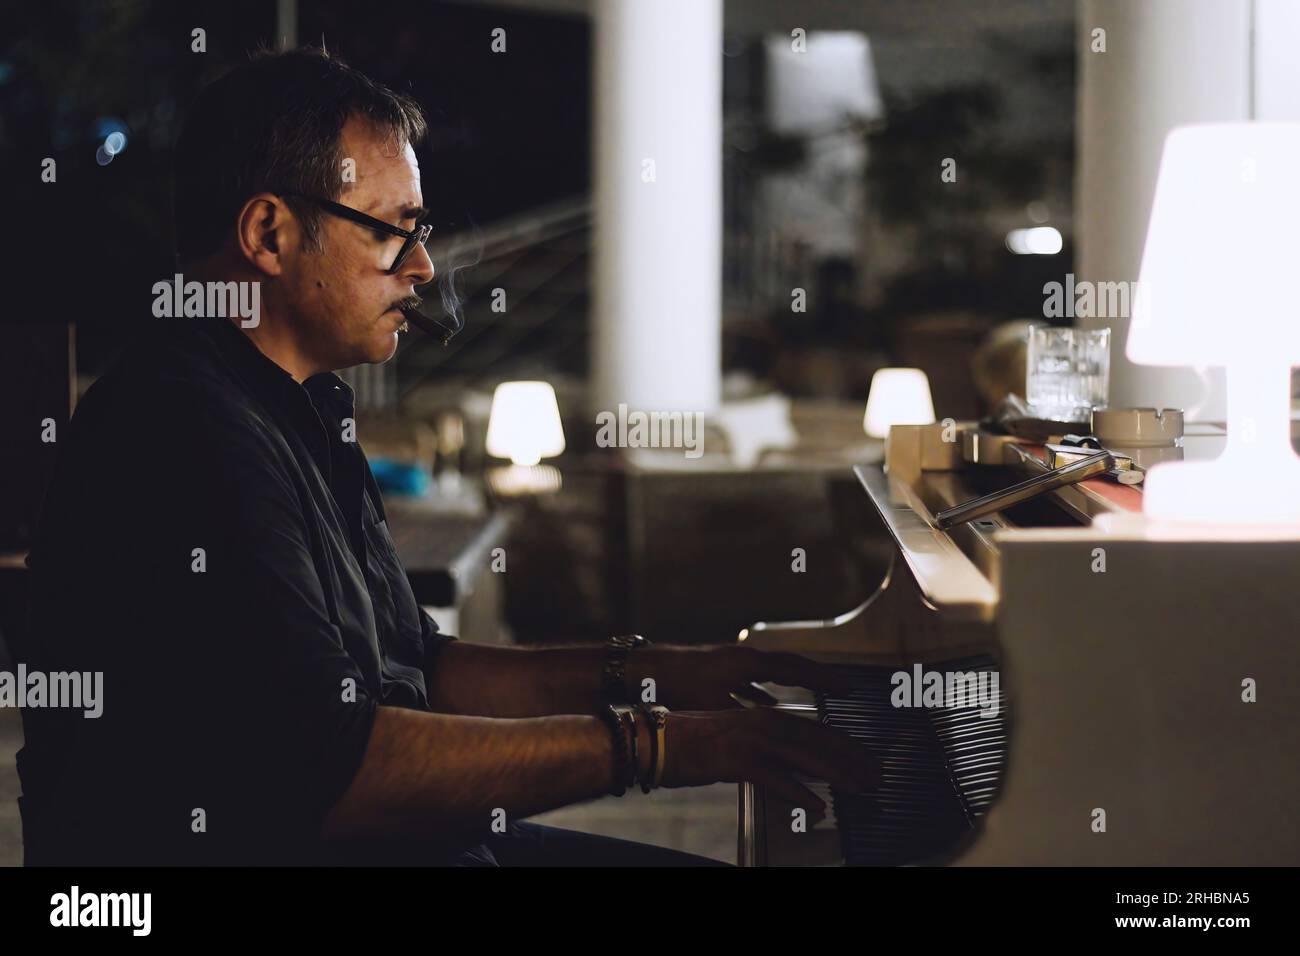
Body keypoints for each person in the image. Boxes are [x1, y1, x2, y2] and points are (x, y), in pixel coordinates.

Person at [16, 47, 876, 866]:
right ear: (270, 235)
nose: (423, 266)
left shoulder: (301, 401)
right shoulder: (181, 431)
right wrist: (660, 743)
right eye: (394, 230)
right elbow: (338, 772)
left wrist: (661, 674)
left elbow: (420, 667)